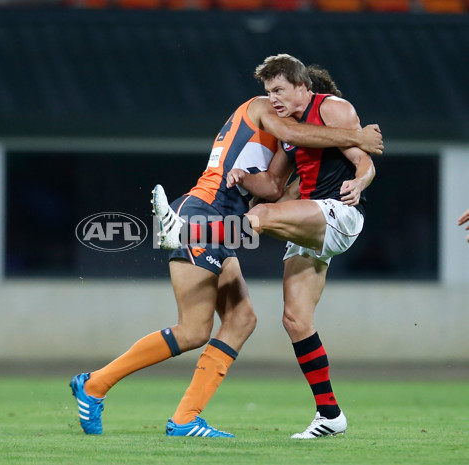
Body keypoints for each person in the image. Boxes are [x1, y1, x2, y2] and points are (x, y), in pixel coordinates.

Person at [70, 57, 383, 438]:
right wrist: (356, 136)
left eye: (278, 90)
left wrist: (254, 179)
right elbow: (299, 136)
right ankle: (95, 386)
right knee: (192, 330)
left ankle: (184, 419)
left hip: (223, 222)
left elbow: (272, 184)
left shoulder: (294, 129)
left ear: (305, 88)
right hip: (202, 212)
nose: (274, 98)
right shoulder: (265, 109)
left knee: (241, 319)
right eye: (272, 91)